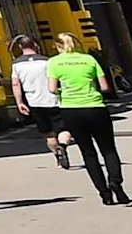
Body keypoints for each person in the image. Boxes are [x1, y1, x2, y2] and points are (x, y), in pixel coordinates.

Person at [49, 33, 126, 205]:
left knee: (88, 152)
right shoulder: (89, 60)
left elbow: (52, 89)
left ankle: (104, 194)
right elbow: (105, 87)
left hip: (71, 110)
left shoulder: (54, 62)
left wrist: (65, 91)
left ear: (58, 46)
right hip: (96, 107)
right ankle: (115, 181)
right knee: (108, 149)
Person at [10, 38, 65, 169]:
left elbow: (15, 84)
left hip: (34, 102)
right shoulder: (47, 61)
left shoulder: (16, 65)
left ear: (20, 47)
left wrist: (19, 102)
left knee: (48, 133)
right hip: (54, 100)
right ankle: (63, 146)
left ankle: (58, 155)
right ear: (35, 45)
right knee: (63, 129)